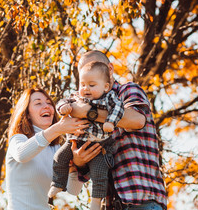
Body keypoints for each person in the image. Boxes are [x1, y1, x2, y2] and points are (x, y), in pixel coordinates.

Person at [70, 50, 167, 209]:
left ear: (110, 69)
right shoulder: (85, 108)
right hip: (110, 205)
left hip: (142, 203)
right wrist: (79, 161)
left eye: (96, 67)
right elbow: (89, 170)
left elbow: (136, 120)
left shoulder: (127, 91)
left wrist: (89, 112)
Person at [5, 88, 102, 210]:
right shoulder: (18, 139)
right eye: (38, 103)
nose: (46, 106)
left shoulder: (56, 149)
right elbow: (21, 155)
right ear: (27, 114)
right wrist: (58, 128)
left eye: (49, 103)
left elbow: (73, 190)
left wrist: (78, 165)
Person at [48, 61, 124, 210]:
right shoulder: (77, 97)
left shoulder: (109, 98)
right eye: (83, 84)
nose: (86, 89)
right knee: (58, 158)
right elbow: (63, 101)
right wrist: (63, 107)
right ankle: (57, 183)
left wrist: (110, 121)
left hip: (99, 144)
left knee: (99, 173)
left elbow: (119, 109)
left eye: (92, 85)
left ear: (106, 87)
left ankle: (96, 201)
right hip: (76, 140)